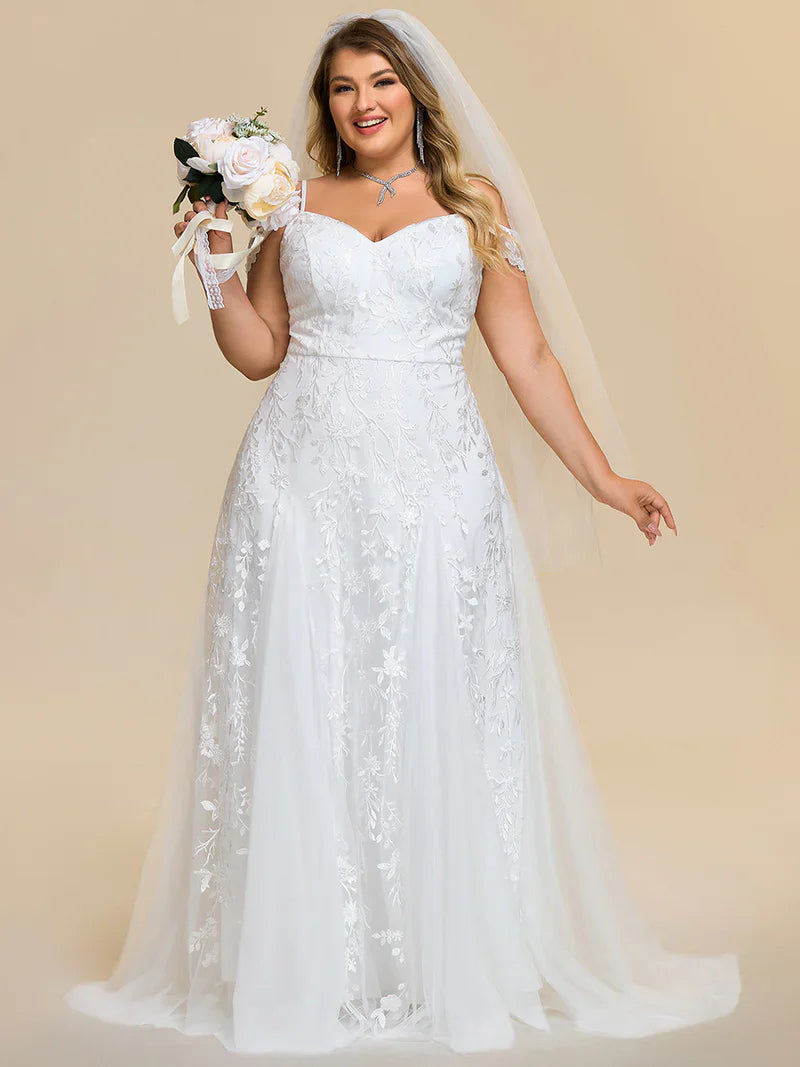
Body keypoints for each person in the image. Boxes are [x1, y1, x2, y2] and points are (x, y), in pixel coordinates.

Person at [65, 9, 740, 1054]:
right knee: (309, 702)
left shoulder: (470, 206)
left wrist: (604, 476)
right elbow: (257, 351)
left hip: (433, 488)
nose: (361, 102)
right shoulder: (288, 204)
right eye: (340, 86)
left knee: (427, 701)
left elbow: (525, 360)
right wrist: (212, 259)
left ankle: (432, 952)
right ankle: (314, 957)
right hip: (299, 481)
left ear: (417, 92)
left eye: (379, 80)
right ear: (324, 103)